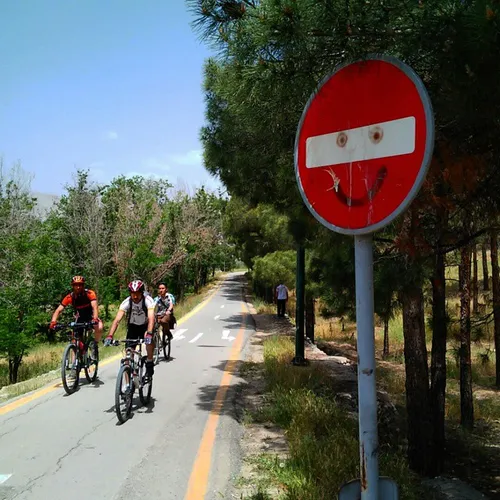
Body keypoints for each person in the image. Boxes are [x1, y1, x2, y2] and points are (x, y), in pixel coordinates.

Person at [104, 280, 156, 378]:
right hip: (133, 327)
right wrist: (110, 336)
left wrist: (149, 333)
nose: (135, 297)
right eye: (133, 294)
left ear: (141, 293)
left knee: (148, 339)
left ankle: (149, 362)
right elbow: (117, 320)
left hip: (146, 326)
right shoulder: (127, 302)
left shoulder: (148, 300)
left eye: (137, 294)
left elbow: (151, 318)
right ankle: (127, 386)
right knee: (127, 359)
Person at [50, 275, 103, 343]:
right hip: (79, 319)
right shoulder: (70, 297)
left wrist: (95, 318)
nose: (78, 287)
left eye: (80, 285)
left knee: (99, 327)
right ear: (73, 286)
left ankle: (95, 344)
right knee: (74, 341)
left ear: (83, 285)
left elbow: (94, 307)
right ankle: (75, 351)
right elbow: (58, 310)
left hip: (91, 317)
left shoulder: (90, 293)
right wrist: (53, 322)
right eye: (76, 285)